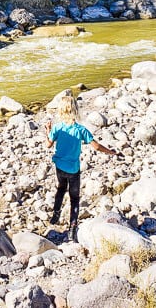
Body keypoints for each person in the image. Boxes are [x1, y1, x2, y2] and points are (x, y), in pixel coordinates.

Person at [45, 92, 119, 242]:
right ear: (75, 110)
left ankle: (56, 215)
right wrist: (111, 152)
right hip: (73, 169)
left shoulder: (58, 128)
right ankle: (72, 228)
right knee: (74, 198)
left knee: (60, 189)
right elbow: (96, 147)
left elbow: (48, 144)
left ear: (60, 111)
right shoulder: (81, 130)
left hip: (60, 166)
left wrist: (48, 130)